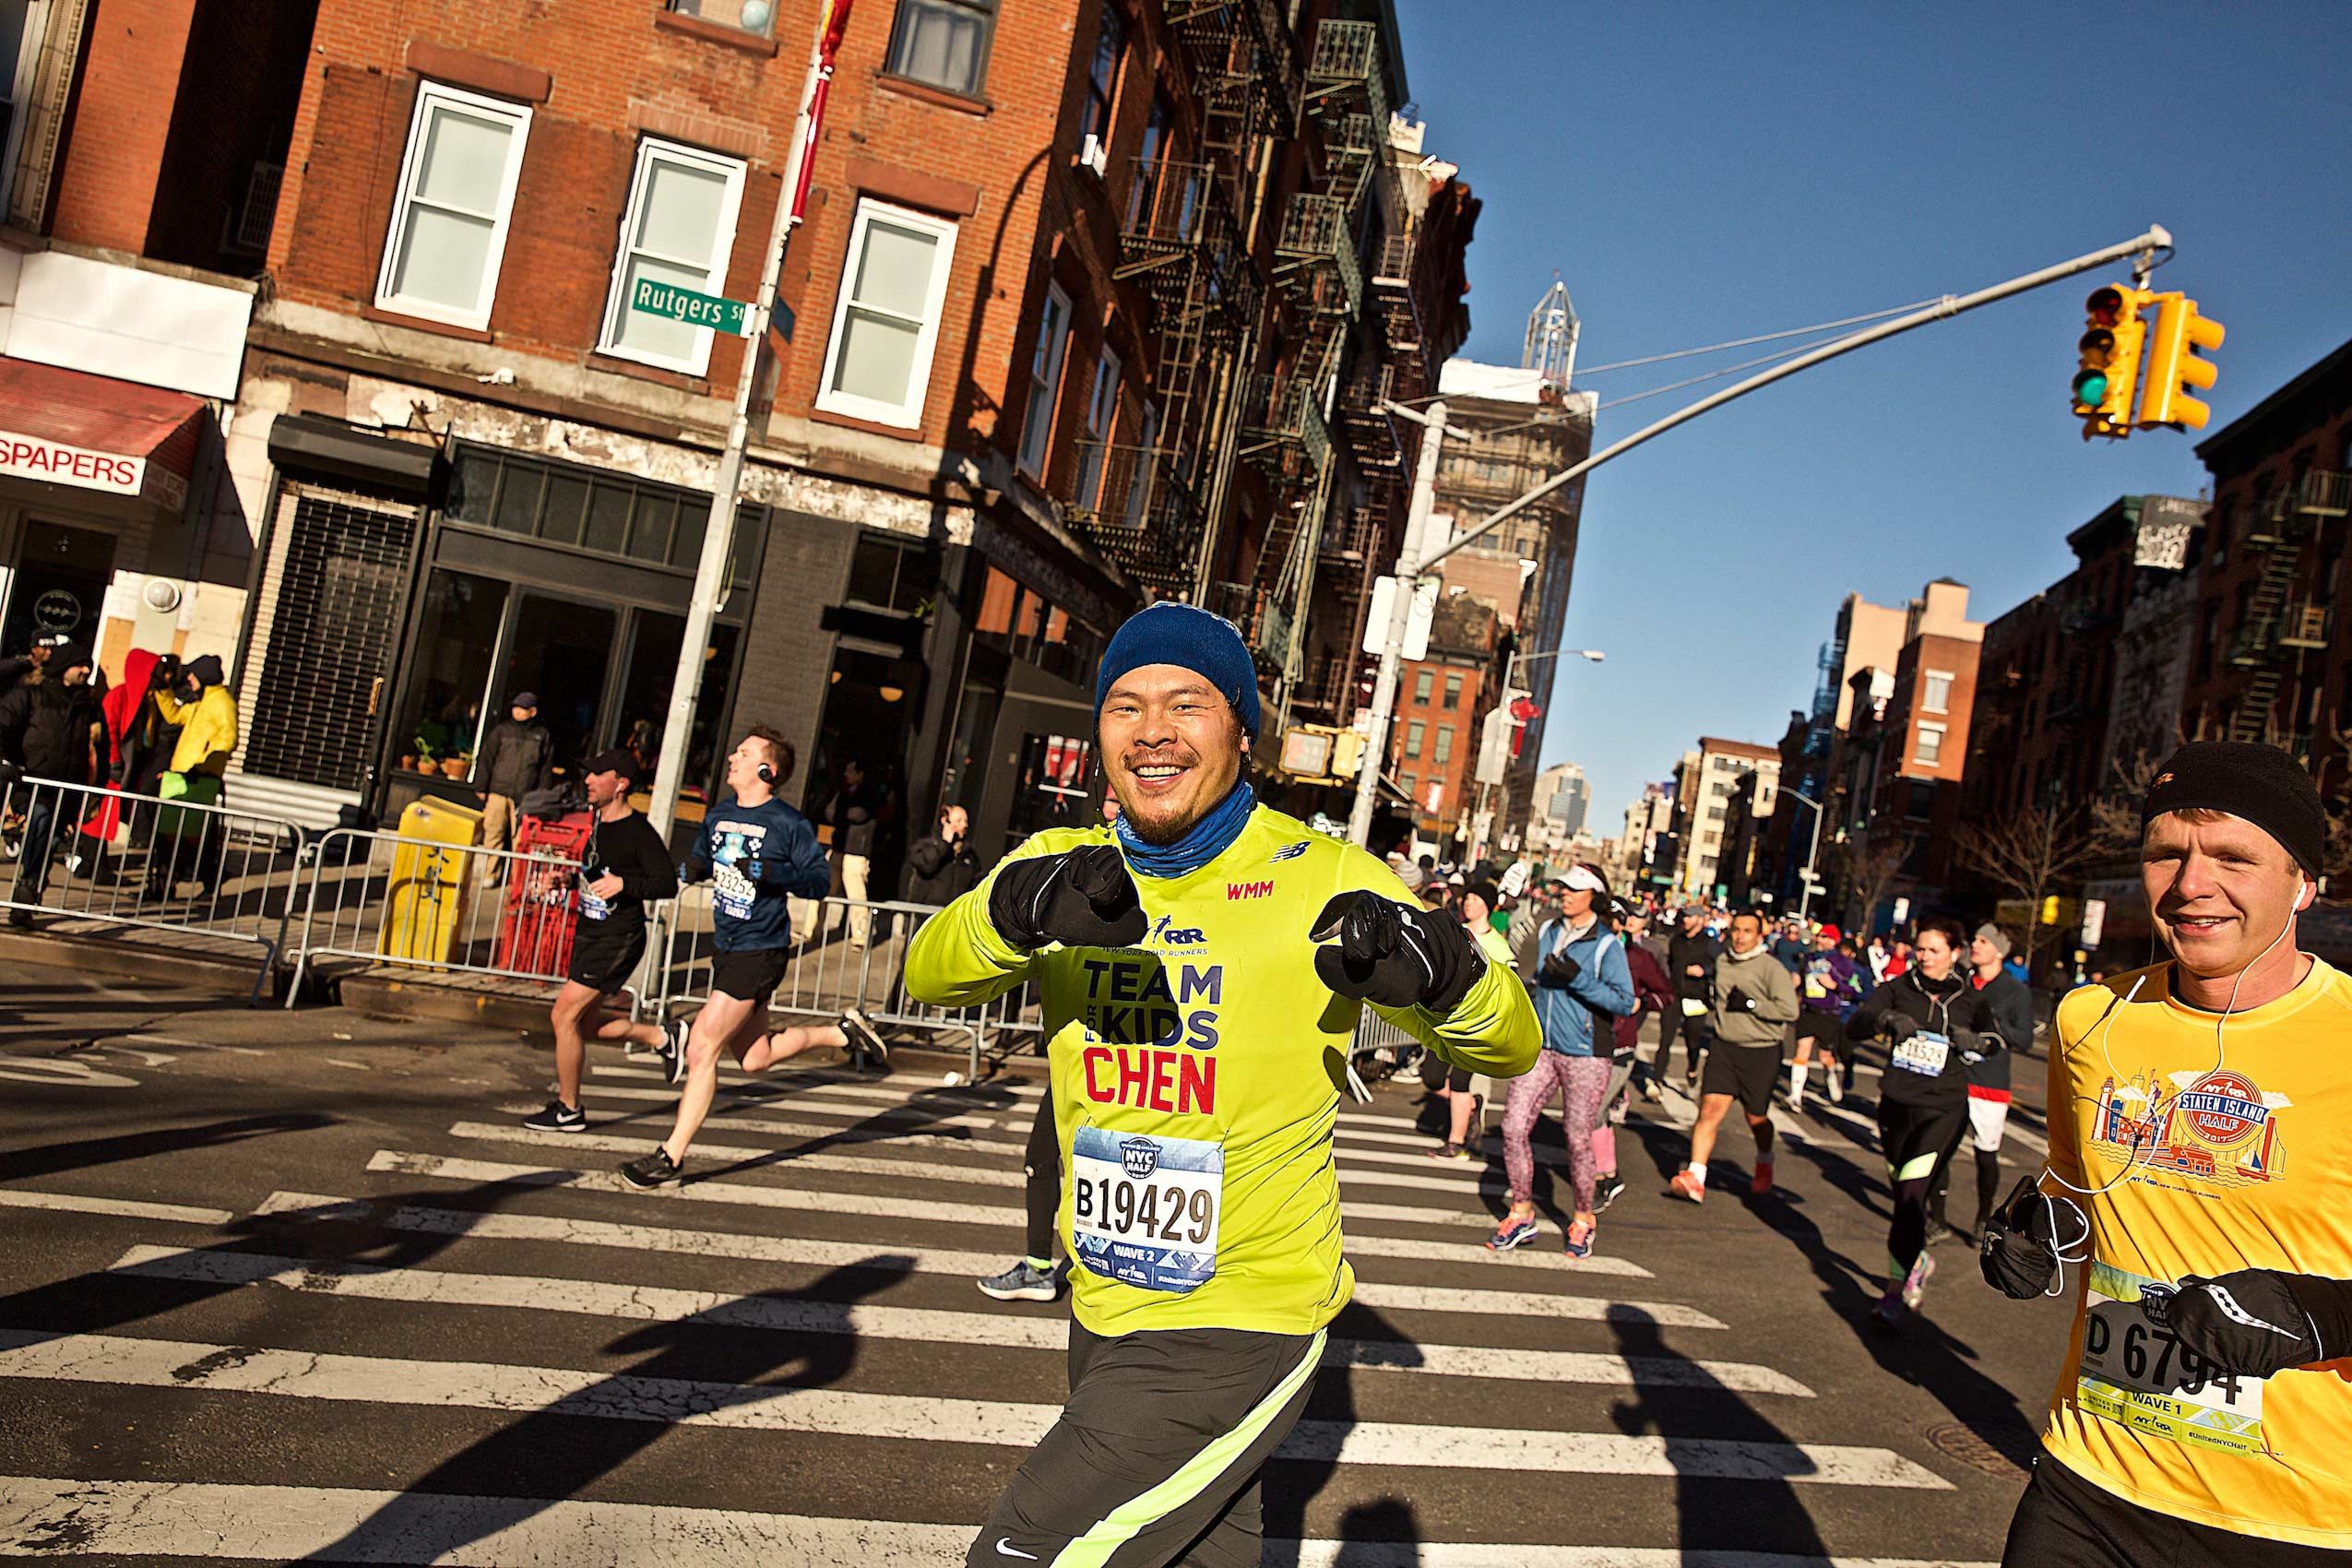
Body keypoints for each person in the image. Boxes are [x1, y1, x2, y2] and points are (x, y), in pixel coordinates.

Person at [905, 600, 1538, 1567]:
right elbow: (928, 969)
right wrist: (1019, 907)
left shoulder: (1323, 877)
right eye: (1126, 704)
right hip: (1104, 1298)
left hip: (1241, 1313)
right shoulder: (1060, 865)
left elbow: (1510, 1043)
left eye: (1187, 702)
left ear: (1242, 728)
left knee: (1024, 1553)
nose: (1153, 728)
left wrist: (1443, 969)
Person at [1983, 742, 2352, 1563]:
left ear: (2305, 884)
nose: (2190, 886)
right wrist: (2033, 1225)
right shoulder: (2093, 1018)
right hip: (2090, 1482)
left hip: (2296, 1520)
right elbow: (2076, 1187)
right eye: (2165, 855)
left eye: (2233, 856)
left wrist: (2322, 1317)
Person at [619, 728, 887, 1188]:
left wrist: (766, 871)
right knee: (754, 1059)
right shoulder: (720, 814)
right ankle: (841, 1032)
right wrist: (687, 870)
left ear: (769, 770)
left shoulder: (789, 824)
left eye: (743, 754)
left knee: (702, 1046)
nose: (731, 759)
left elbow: (817, 881)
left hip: (760, 949)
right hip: (728, 946)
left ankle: (671, 1156)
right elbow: (703, 858)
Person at [518, 749, 688, 1132]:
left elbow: (666, 883)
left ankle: (569, 1108)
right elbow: (598, 871)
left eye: (598, 775)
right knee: (582, 1027)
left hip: (618, 938)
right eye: (588, 774)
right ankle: (662, 1037)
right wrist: (569, 881)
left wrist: (625, 884)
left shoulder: (638, 832)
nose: (589, 781)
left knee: (562, 1015)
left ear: (621, 784)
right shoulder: (599, 821)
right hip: (591, 933)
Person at [1847, 914, 1991, 1328]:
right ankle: (1917, 1261)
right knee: (1903, 1199)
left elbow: (1997, 1041)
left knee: (1911, 1197)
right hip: (1897, 1105)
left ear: (1955, 954)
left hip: (1943, 1109)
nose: (1925, 957)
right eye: (1920, 949)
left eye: (1934, 950)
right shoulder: (1896, 989)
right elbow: (1855, 1025)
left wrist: (1977, 1041)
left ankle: (1895, 1293)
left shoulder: (1969, 999)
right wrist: (1885, 1020)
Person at [1491, 863, 1633, 1258]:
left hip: (1586, 1054)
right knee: (1513, 1124)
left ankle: (1584, 1218)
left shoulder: (1606, 944)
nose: (1565, 894)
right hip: (1544, 1047)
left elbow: (1624, 1001)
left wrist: (1577, 978)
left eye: (1573, 888)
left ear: (1594, 895)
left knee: (1577, 1136)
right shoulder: (1549, 929)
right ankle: (1521, 1212)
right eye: (1563, 888)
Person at [1668, 909, 1800, 1203]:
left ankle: (1765, 1158)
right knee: (1710, 1108)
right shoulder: (1723, 962)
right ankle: (1696, 1176)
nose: (1740, 937)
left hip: (1761, 1050)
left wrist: (1753, 1004)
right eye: (1736, 930)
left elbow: (1790, 1011)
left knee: (1756, 1118)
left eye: (1747, 931)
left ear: (1759, 935)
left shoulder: (1770, 968)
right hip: (1724, 1046)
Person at [1921, 921, 2035, 1245]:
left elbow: (2024, 1039)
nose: (1975, 944)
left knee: (1985, 1155)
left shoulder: (2015, 990)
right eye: (1974, 938)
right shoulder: (1960, 982)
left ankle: (1984, 1215)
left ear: (1998, 950)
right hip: (1952, 1076)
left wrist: (1990, 1025)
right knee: (1938, 1150)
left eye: (1983, 940)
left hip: (1990, 1082)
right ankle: (1937, 1218)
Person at [0, 641, 103, 922]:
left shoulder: (88, 704)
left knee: (53, 839)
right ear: (63, 667)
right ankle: (27, 885)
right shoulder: (32, 694)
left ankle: (33, 888)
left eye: (88, 667)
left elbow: (97, 749)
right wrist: (7, 761)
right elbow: (4, 723)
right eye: (80, 666)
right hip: (34, 782)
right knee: (40, 824)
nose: (85, 671)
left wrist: (98, 788)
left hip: (69, 787)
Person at [1428, 879, 1515, 1159]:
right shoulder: (1456, 932)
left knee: (1459, 1082)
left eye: (1476, 899)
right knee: (1431, 1078)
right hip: (1446, 1019)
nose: (1469, 903)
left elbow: (1509, 988)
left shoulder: (1499, 945)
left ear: (1489, 906)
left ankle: (1457, 1143)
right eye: (1467, 898)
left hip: (1478, 1024)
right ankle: (1471, 1107)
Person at [147, 654, 239, 899]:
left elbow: (227, 740)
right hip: (181, 776)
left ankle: (201, 882)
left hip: (199, 779)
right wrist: (163, 690)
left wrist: (204, 767)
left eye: (193, 674)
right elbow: (175, 716)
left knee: (190, 838)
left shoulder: (222, 704)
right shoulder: (201, 702)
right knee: (170, 836)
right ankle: (164, 886)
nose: (188, 678)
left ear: (205, 677)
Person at [473, 693, 552, 885]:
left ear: (532, 712)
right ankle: (490, 875)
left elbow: (545, 767)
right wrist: (481, 787)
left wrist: (543, 796)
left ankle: (517, 880)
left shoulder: (542, 735)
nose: (517, 711)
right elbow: (486, 759)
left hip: (526, 796)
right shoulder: (502, 730)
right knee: (493, 834)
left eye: (522, 708)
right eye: (515, 707)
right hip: (498, 791)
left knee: (522, 840)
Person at [1789, 921, 1864, 1112]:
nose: (1819, 940)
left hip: (1829, 1014)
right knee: (1802, 1051)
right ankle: (1795, 1096)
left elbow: (1855, 989)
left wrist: (1834, 986)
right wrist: (1795, 983)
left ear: (1833, 940)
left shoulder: (1842, 962)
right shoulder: (1809, 958)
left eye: (1824, 937)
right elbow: (1801, 978)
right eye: (1819, 936)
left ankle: (1831, 1078)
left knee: (1825, 1056)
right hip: (1809, 1010)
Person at [1662, 903, 1721, 1091]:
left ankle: (1693, 1068)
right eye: (1684, 917)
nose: (1685, 920)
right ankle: (1656, 1080)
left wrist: (1704, 971)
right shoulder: (1676, 940)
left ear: (1700, 919)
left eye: (1689, 917)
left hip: (1697, 997)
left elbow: (1720, 966)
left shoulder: (1710, 943)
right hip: (1675, 995)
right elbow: (1669, 963)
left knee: (1693, 1040)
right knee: (1665, 1039)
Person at [905, 802, 981, 907]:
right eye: (958, 821)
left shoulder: (969, 854)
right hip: (924, 911)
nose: (964, 825)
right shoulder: (926, 845)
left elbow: (976, 883)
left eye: (965, 821)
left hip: (953, 913)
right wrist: (944, 844)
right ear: (945, 821)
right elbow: (927, 867)